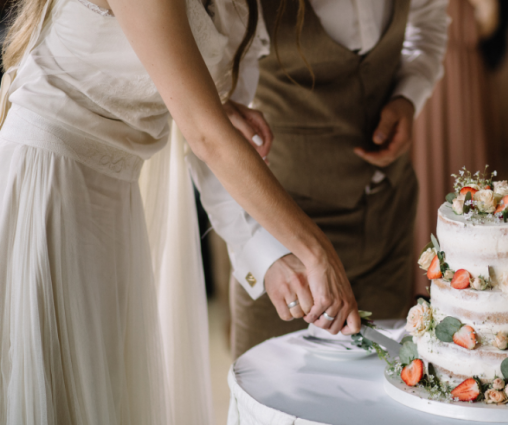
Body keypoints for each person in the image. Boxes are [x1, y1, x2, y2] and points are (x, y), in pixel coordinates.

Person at [0, 0, 360, 423]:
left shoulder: (242, 11)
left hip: (116, 202)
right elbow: (208, 136)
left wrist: (273, 256)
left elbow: (206, 128)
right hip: (50, 184)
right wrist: (317, 252)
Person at [228, 0, 450, 359]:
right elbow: (214, 129)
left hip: (387, 222)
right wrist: (265, 254)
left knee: (381, 396)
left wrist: (408, 95)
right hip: (285, 246)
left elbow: (429, 21)